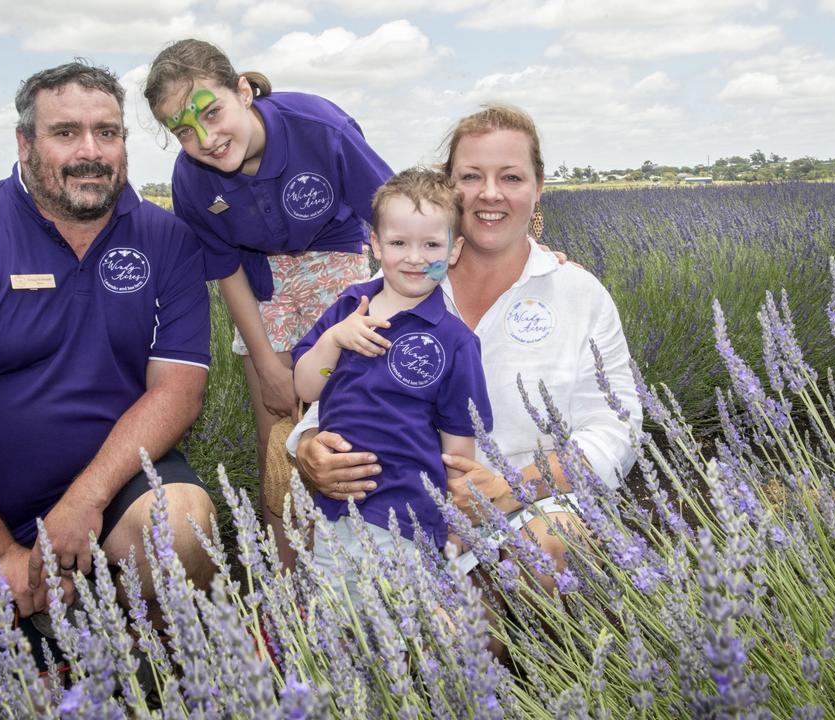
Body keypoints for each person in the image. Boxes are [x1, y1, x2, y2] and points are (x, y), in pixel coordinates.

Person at [0, 60, 216, 686]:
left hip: (116, 492)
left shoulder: (166, 240)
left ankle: (154, 665)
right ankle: (61, 639)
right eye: (66, 133)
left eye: (108, 133)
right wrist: (3, 552)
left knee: (184, 527)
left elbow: (178, 391)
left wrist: (83, 503)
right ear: (25, 144)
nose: (91, 152)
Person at [292, 104, 641, 591]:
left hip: (537, 506)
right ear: (448, 187)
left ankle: (526, 640)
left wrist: (515, 485)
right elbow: (339, 391)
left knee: (549, 546)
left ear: (539, 188)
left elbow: (615, 429)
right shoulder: (382, 293)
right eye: (471, 176)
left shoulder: (579, 295)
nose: (490, 193)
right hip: (407, 514)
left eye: (512, 177)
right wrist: (310, 446)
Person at [142, 39, 394, 566]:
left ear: (243, 90)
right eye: (184, 131)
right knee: (276, 433)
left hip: (337, 262)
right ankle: (288, 577)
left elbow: (395, 216)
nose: (206, 139)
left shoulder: (320, 128)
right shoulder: (192, 180)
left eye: (212, 113)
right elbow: (227, 270)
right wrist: (266, 364)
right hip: (261, 283)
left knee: (350, 420)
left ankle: (369, 559)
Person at [290, 167, 493, 601]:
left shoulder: (456, 341)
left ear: (454, 250)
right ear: (376, 245)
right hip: (335, 507)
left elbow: (459, 448)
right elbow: (306, 388)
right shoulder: (349, 306)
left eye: (432, 245)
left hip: (406, 517)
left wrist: (454, 524)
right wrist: (332, 339)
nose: (415, 258)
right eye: (399, 243)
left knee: (401, 628)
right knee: (338, 622)